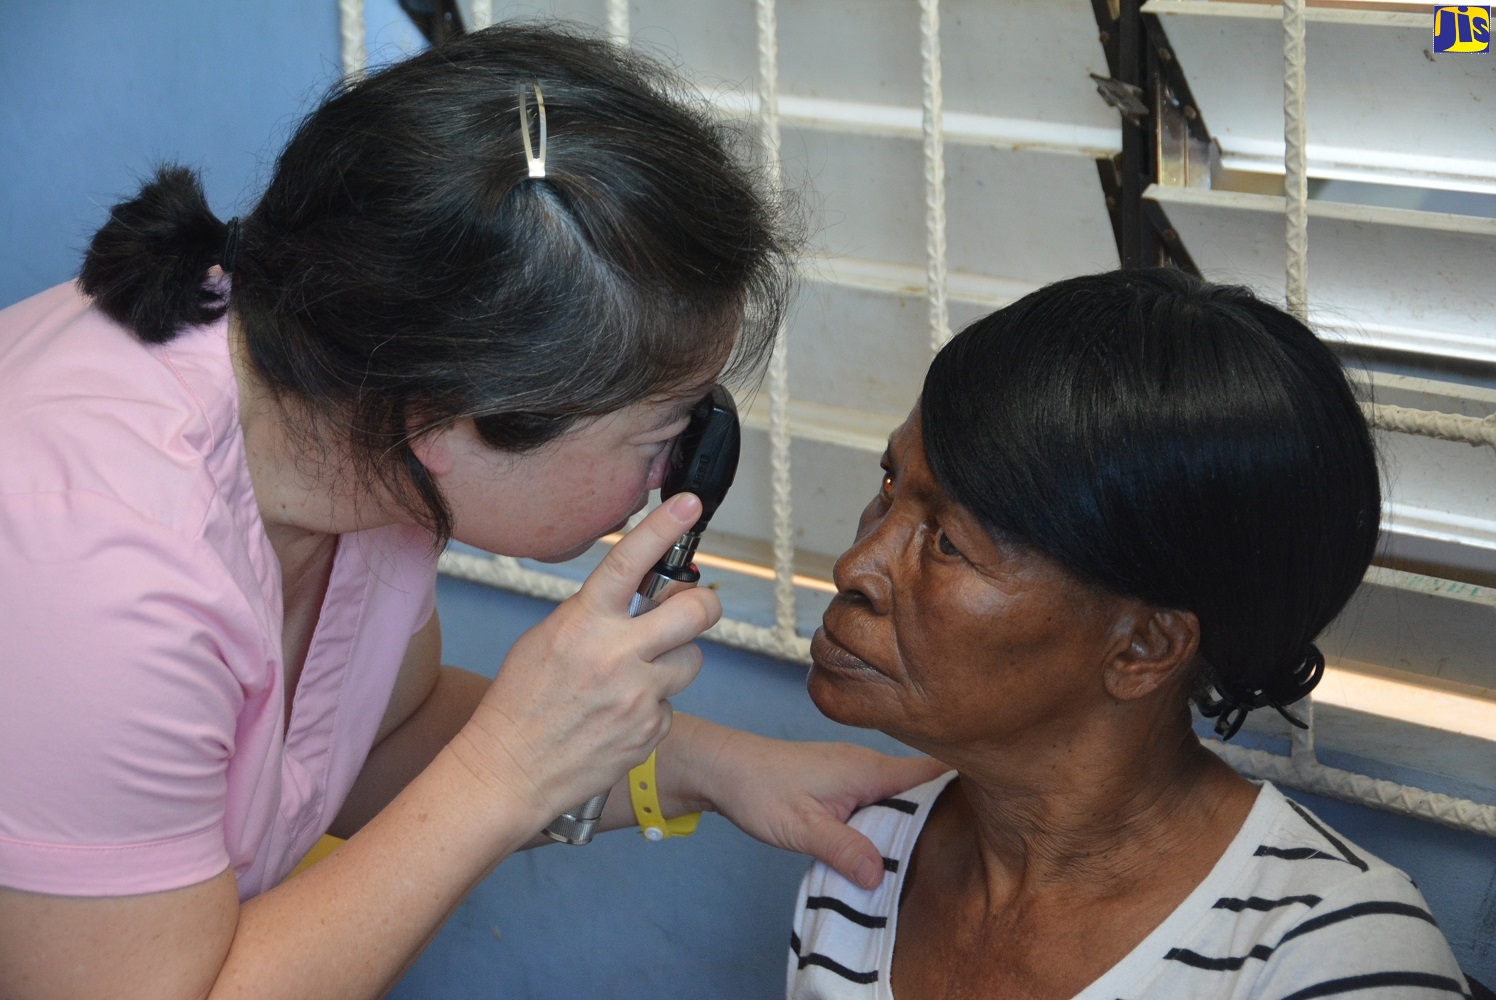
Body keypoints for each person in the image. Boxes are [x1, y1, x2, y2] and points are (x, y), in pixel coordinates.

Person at [0, 24, 939, 1000]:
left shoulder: (350, 415)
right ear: (447, 416)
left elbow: (378, 736)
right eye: (659, 430)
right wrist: (506, 771)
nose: (674, 472)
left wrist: (716, 766)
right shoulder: (90, 576)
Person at [788, 269, 1473, 999]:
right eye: (890, 486)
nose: (856, 564)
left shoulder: (1328, 958)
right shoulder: (864, 861)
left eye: (949, 543)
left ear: (1144, 647)